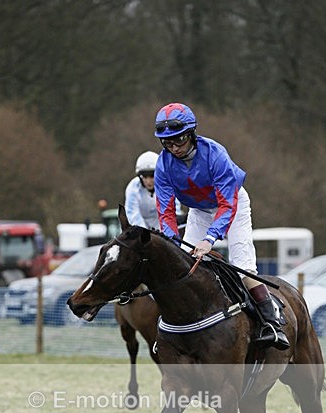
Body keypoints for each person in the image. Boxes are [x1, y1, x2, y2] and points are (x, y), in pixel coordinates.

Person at [153, 102, 289, 350]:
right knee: (182, 266)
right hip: (199, 211)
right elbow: (166, 210)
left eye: (178, 140)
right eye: (167, 143)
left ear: (191, 134)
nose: (173, 148)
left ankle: (272, 323)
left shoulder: (215, 154)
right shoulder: (163, 165)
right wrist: (171, 242)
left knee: (241, 266)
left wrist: (210, 239)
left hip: (233, 205)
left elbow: (227, 205)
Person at [124, 151, 161, 230]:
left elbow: (174, 211)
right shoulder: (133, 187)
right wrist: (145, 234)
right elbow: (132, 214)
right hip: (140, 229)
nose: (148, 181)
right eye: (145, 176)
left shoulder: (166, 185)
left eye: (152, 176)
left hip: (162, 228)